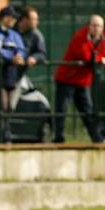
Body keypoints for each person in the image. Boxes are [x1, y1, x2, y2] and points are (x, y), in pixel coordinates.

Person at [53, 14, 105, 143]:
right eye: (93, 25)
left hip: (83, 81)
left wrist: (98, 59)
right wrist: (100, 59)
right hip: (66, 79)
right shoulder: (80, 36)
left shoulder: (103, 40)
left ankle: (96, 138)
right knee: (62, 109)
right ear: (89, 26)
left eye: (99, 26)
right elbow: (86, 57)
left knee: (88, 111)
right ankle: (58, 137)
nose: (96, 28)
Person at [0, 6, 26, 143]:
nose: (14, 21)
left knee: (10, 107)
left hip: (12, 76)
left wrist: (19, 56)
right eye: (12, 18)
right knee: (2, 106)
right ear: (5, 18)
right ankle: (4, 135)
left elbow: (21, 50)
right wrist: (9, 57)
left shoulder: (14, 34)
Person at [16, 6, 47, 85]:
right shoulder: (12, 30)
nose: (37, 22)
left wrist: (34, 58)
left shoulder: (36, 35)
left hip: (19, 75)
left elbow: (42, 54)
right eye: (34, 19)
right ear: (24, 19)